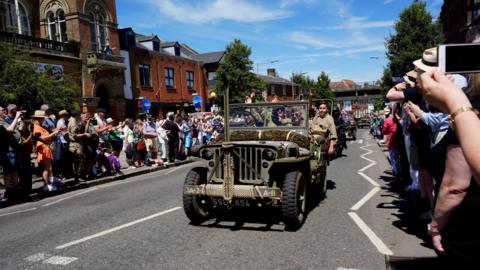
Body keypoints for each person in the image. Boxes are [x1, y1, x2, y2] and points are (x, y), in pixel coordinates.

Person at [31, 110, 62, 192]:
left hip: (45, 147)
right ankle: (46, 185)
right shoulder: (37, 127)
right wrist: (54, 133)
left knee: (48, 167)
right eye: (42, 118)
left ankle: (48, 184)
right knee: (46, 168)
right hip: (43, 147)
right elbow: (42, 138)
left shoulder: (40, 126)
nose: (44, 119)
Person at [0, 105, 23, 201]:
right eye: (2, 110)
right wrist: (17, 117)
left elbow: (19, 129)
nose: (4, 111)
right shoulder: (1, 123)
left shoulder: (5, 121)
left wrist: (19, 120)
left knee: (15, 170)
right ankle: (8, 191)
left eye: (4, 109)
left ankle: (15, 189)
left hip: (14, 149)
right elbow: (9, 130)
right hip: (8, 150)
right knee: (9, 171)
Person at [68, 110, 88, 182]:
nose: (80, 116)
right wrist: (84, 135)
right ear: (76, 115)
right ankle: (78, 175)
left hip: (75, 144)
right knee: (81, 160)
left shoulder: (72, 121)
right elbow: (75, 136)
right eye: (79, 115)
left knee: (77, 161)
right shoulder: (73, 123)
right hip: (76, 144)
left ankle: (77, 176)